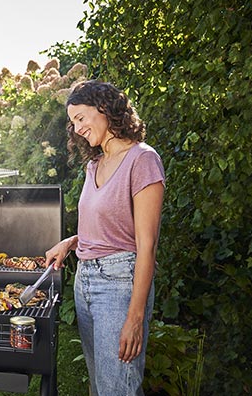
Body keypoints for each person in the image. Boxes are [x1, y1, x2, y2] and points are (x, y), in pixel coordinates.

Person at [45, 80, 165, 395]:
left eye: (81, 118)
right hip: (84, 281)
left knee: (118, 388)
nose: (77, 128)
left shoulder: (142, 160)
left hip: (119, 284)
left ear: (104, 109)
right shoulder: (94, 165)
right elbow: (108, 223)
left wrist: (135, 317)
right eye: (73, 123)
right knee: (100, 386)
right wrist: (72, 242)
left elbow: (146, 245)